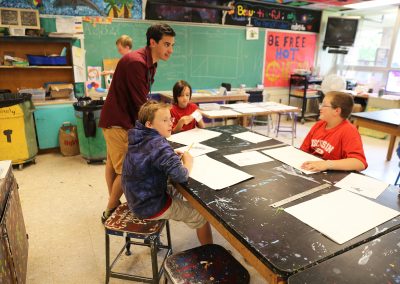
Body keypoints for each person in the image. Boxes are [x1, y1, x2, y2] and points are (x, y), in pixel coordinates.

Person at [98, 23, 176, 223]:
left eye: (172, 45)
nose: (170, 50)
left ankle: (115, 204)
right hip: (118, 122)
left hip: (116, 119)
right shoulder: (137, 62)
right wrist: (157, 126)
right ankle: (110, 209)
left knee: (112, 163)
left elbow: (141, 100)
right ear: (153, 42)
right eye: (166, 44)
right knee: (126, 169)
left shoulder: (150, 63)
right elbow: (140, 105)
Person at [122, 101, 213, 245]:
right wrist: (188, 161)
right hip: (150, 205)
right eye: (165, 120)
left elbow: (150, 155)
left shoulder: (138, 137)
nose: (171, 123)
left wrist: (169, 155)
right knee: (200, 215)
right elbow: (181, 176)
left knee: (180, 192)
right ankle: (211, 255)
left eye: (171, 118)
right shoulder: (159, 145)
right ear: (149, 124)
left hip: (136, 198)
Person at [300, 91, 368, 172]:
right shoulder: (319, 125)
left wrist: (326, 164)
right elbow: (303, 151)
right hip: (312, 170)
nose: (320, 108)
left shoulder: (349, 131)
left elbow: (360, 163)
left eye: (324, 105)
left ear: (336, 111)